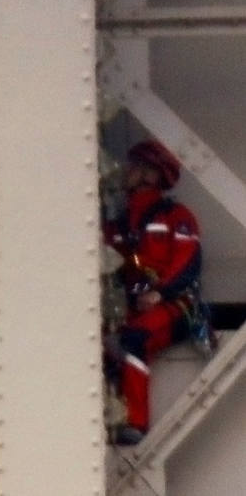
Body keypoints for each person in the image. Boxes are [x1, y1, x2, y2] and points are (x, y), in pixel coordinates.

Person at [103, 140, 205, 445]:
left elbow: (188, 262)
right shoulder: (120, 223)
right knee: (99, 341)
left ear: (150, 174)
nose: (127, 171)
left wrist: (161, 293)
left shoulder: (177, 216)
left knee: (135, 338)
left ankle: (136, 422)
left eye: (134, 166)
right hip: (135, 304)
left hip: (176, 305)